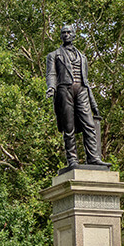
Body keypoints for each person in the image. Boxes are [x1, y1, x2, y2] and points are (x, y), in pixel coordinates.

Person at [46, 25, 108, 169]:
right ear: (60, 36)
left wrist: (94, 104)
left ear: (74, 35)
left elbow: (86, 81)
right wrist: (51, 87)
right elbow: (51, 74)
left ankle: (93, 157)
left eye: (69, 32)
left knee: (89, 125)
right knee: (69, 127)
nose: (66, 34)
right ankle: (72, 160)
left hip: (81, 91)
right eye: (63, 33)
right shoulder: (54, 55)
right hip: (64, 90)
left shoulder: (83, 57)